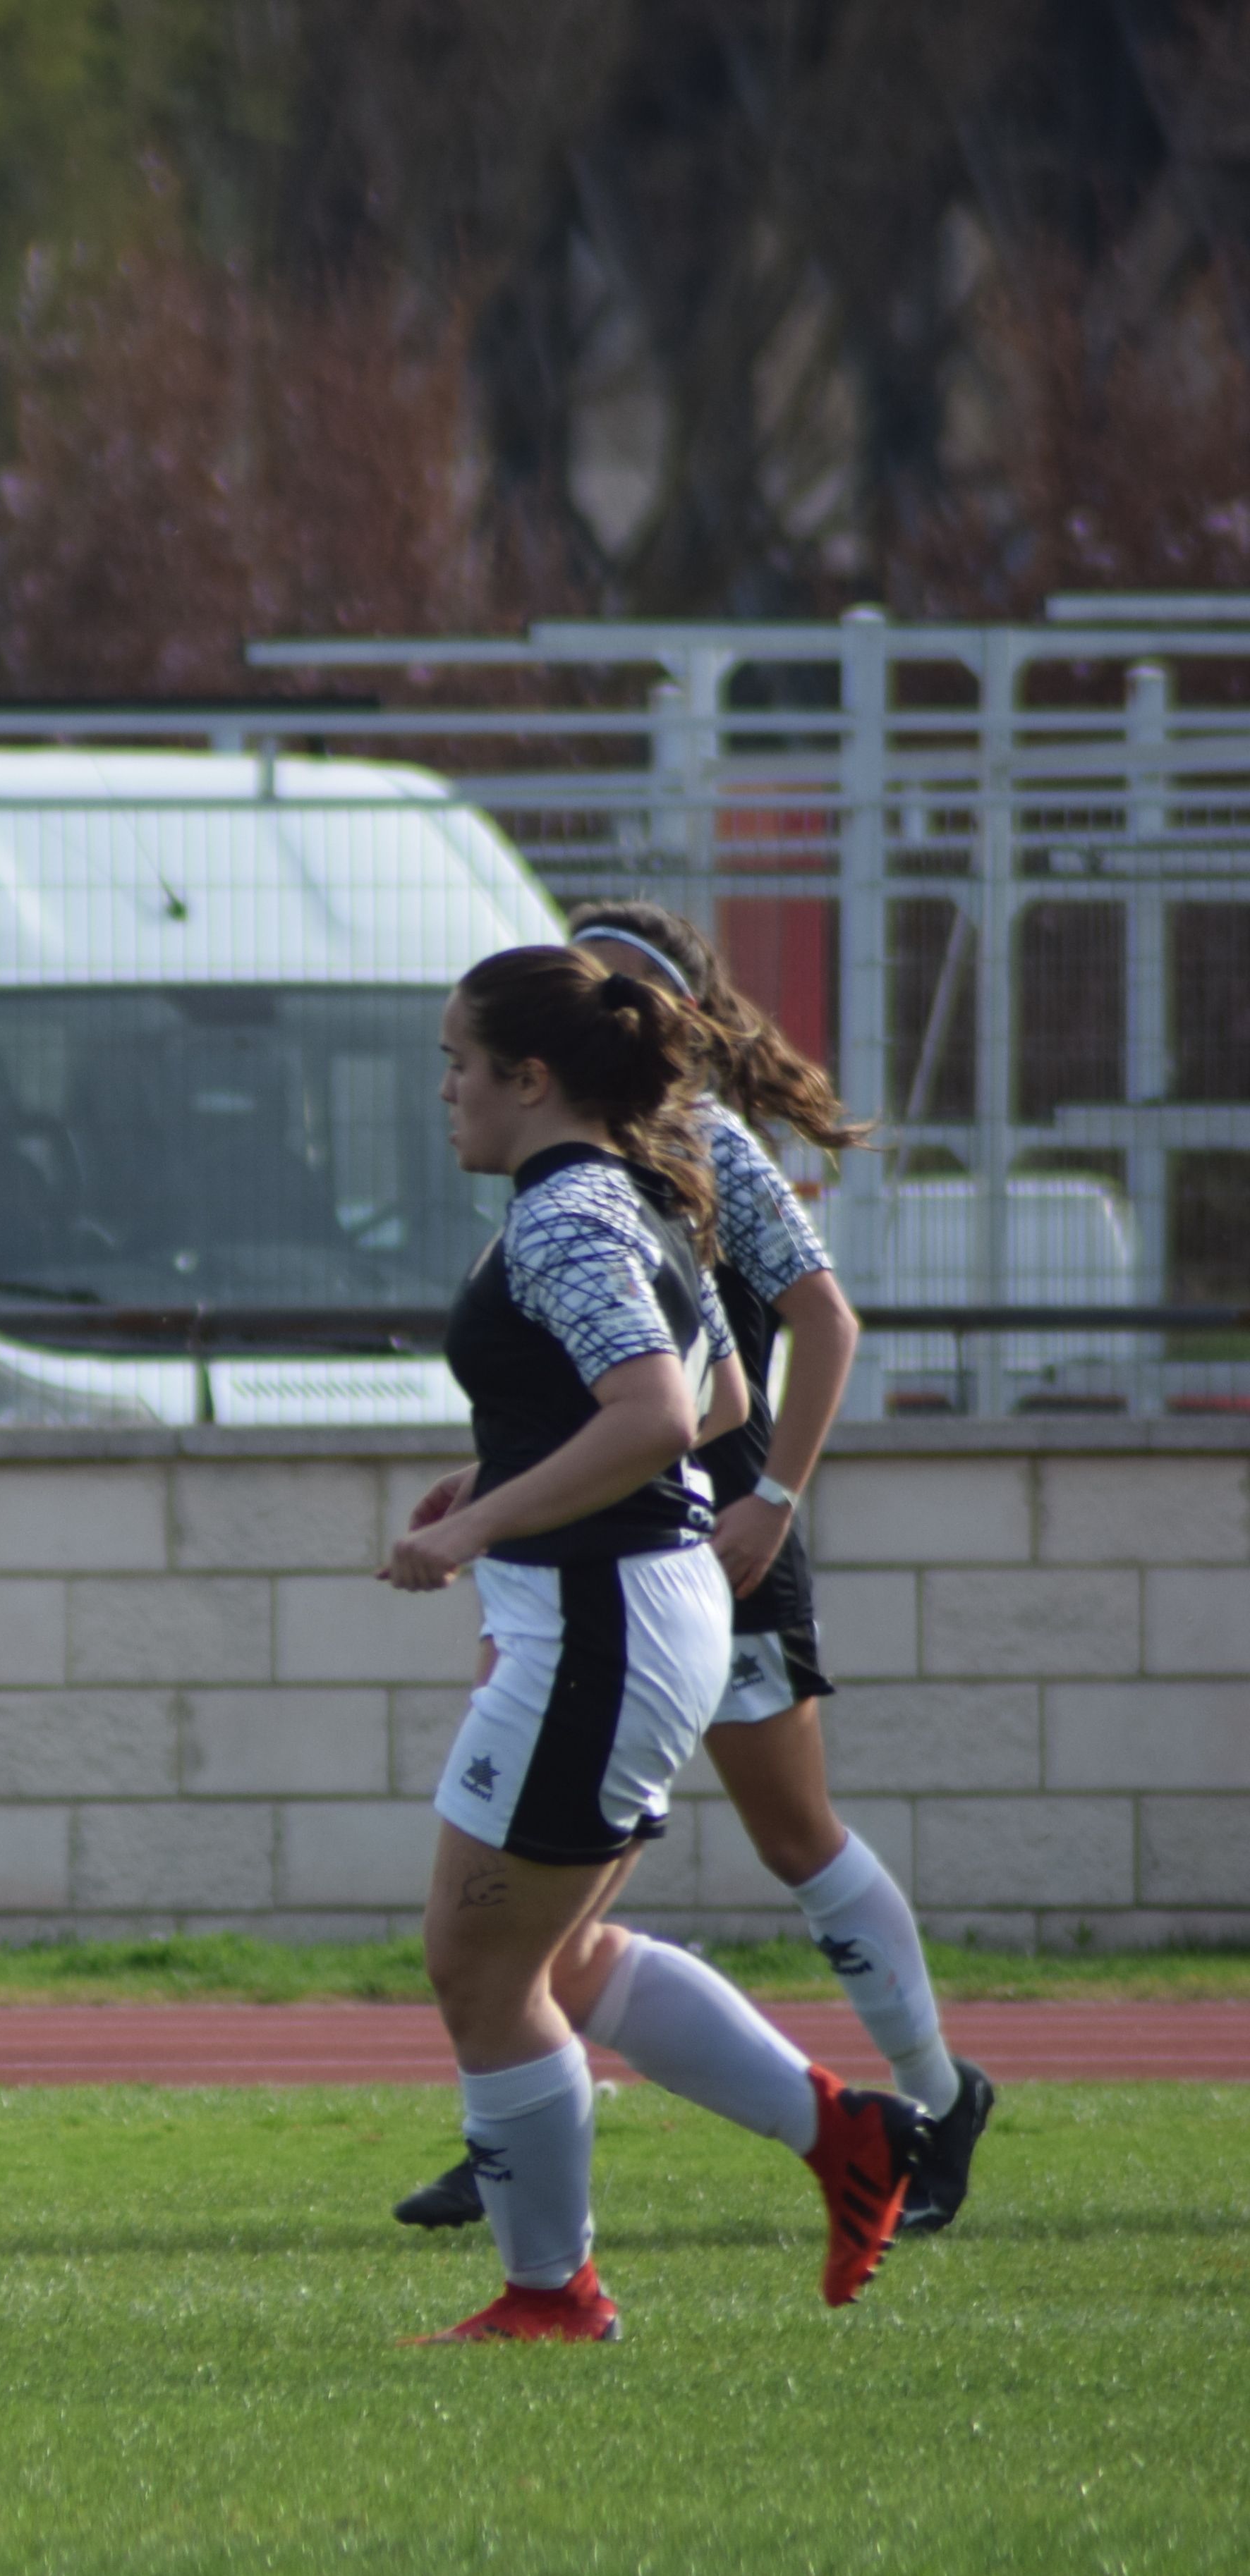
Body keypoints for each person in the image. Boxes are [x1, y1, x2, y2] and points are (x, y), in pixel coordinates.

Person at [396, 903, 992, 2240]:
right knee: (529, 1953)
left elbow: (721, 1384)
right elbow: (685, 1385)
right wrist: (495, 1490)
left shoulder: (650, 1167)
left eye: (462, 1058)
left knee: (772, 1844)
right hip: (615, 1567)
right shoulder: (596, 1178)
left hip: (656, 1563)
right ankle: (557, 2137)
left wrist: (774, 1500)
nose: (447, 1087)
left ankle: (926, 2104)